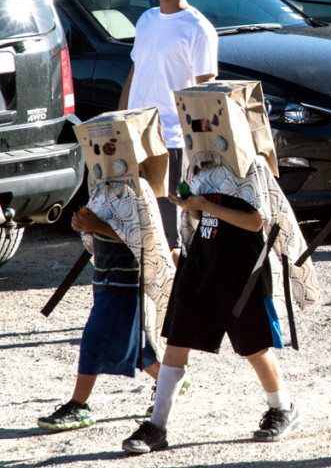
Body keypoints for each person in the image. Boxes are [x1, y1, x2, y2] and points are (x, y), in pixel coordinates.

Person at [121, 83, 319, 454]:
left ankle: (283, 408)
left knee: (253, 347)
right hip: (202, 263)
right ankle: (156, 426)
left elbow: (256, 221)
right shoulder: (199, 160)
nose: (203, 129)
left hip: (241, 269)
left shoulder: (252, 165)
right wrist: (190, 205)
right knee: (177, 342)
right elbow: (198, 215)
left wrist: (204, 206)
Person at [38, 109, 178, 433]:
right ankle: (172, 381)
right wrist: (83, 226)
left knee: (94, 340)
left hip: (125, 281)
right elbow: (97, 232)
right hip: (103, 277)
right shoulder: (101, 184)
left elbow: (142, 235)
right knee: (140, 349)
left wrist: (96, 224)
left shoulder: (137, 187)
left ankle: (79, 405)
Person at [118, 0, 218, 266]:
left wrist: (204, 155)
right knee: (135, 230)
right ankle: (148, 309)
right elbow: (135, 75)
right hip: (135, 140)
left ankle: (178, 312)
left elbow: (207, 96)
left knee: (168, 238)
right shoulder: (146, 20)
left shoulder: (199, 29)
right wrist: (119, 126)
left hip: (171, 144)